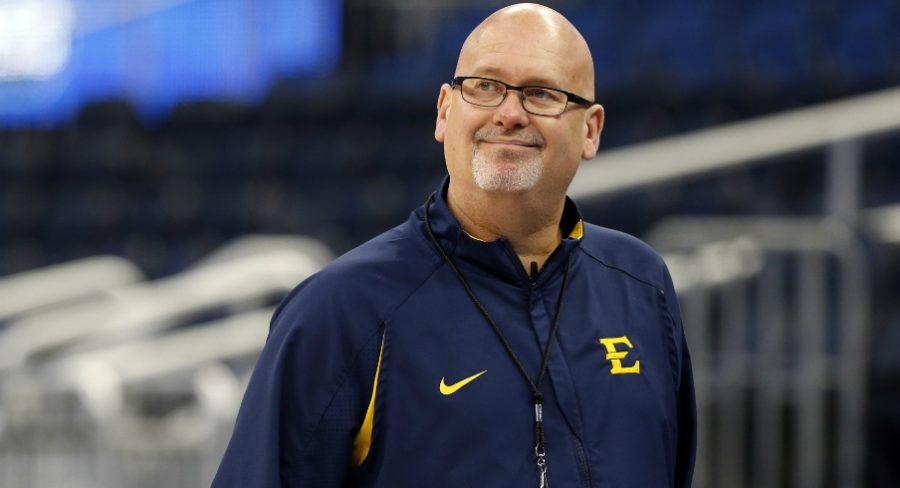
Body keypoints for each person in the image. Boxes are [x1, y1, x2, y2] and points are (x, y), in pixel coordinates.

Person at [213, 3, 696, 487]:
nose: (509, 114)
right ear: (445, 111)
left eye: (541, 93)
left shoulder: (642, 286)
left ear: (590, 130)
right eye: (485, 87)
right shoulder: (338, 310)